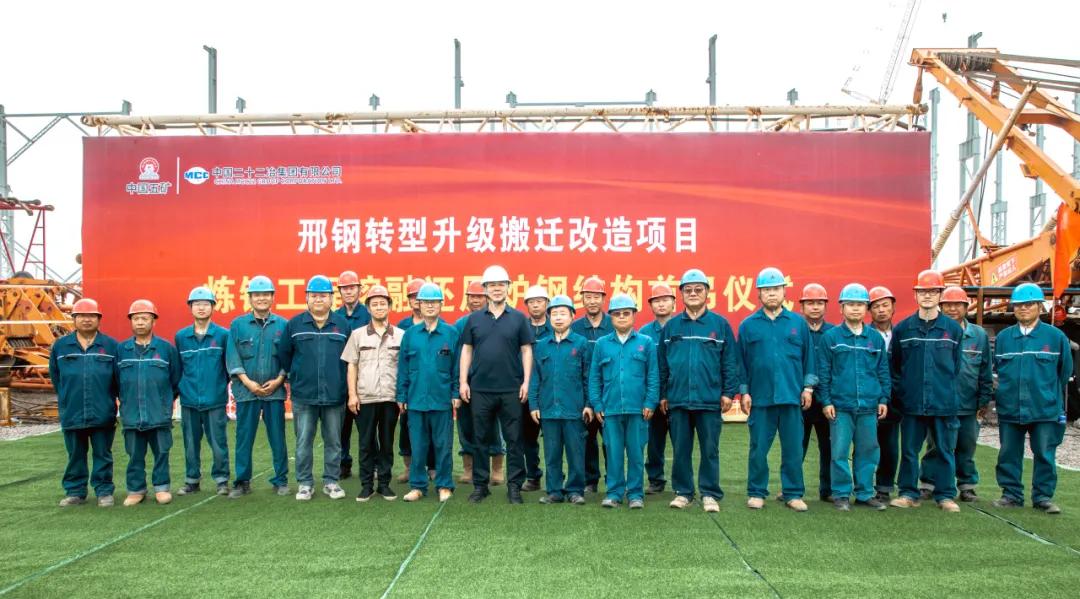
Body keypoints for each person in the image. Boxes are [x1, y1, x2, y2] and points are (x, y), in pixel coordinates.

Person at [657, 269, 740, 513]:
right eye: (688, 290)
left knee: (710, 449)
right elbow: (662, 364)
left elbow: (730, 362)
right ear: (681, 294)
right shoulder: (671, 327)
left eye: (698, 290)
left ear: (707, 293)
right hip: (678, 399)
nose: (693, 294)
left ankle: (709, 493)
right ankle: (683, 492)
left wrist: (728, 393)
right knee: (680, 450)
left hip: (709, 399)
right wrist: (663, 394)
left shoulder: (720, 325)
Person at [739, 267, 816, 512]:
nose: (771, 294)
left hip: (791, 396)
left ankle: (793, 493)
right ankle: (756, 492)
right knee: (758, 449)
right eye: (766, 290)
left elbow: (809, 359)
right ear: (759, 294)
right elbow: (741, 362)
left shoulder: (798, 324)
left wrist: (808, 388)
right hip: (761, 398)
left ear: (784, 291)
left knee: (793, 449)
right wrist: (744, 391)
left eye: (776, 289)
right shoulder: (748, 325)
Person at [992, 283, 1072, 514]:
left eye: (1029, 304)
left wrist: (1047, 395)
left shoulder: (1055, 337)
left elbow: (1064, 372)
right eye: (1019, 305)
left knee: (1045, 454)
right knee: (1008, 454)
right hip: (1010, 407)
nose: (1023, 308)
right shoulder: (1004, 338)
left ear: (1039, 306)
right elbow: (997, 371)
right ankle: (1011, 494)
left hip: (1044, 408)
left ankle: (1043, 497)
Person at [889, 270, 964, 513]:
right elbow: (895, 366)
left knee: (944, 450)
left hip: (943, 402)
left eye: (933, 291)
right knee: (909, 451)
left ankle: (945, 495)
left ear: (940, 294)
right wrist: (903, 393)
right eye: (923, 291)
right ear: (915, 295)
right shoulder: (903, 329)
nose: (928, 296)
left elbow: (955, 366)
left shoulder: (953, 330)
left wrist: (944, 391)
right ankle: (908, 493)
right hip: (912, 402)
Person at [460, 265, 535, 504]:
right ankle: (480, 486)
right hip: (480, 389)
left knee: (514, 440)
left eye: (501, 284)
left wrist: (526, 382)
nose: (496, 289)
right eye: (492, 285)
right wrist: (463, 381)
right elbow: (467, 350)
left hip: (511, 388)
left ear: (508, 287)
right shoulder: (474, 319)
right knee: (480, 439)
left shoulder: (519, 318)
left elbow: (526, 350)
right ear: (485, 289)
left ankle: (514, 487)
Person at [816, 284, 891, 511]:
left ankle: (865, 493)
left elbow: (883, 372)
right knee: (839, 452)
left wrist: (883, 399)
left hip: (869, 406)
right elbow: (823, 373)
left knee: (868, 451)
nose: (856, 309)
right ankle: (841, 494)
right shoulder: (831, 338)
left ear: (866, 308)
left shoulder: (875, 339)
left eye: (860, 304)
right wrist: (826, 401)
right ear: (841, 308)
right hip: (840, 406)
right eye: (850, 304)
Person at [278, 275, 351, 501]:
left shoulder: (342, 325)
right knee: (303, 442)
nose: (318, 300)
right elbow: (285, 355)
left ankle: (331, 481)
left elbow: (350, 359)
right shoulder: (294, 325)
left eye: (323, 296)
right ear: (307, 298)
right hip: (304, 396)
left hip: (334, 395)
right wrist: (298, 376)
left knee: (334, 442)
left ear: (331, 298)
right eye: (314, 296)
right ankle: (305, 483)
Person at [919, 286, 992, 502]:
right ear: (940, 307)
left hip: (968, 402)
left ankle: (967, 485)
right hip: (939, 403)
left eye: (957, 304)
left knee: (966, 446)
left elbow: (985, 369)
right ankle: (928, 483)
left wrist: (984, 400)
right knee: (935, 445)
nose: (952, 309)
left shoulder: (978, 335)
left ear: (966, 307)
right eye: (947, 305)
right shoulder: (935, 331)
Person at [589, 294, 659, 509]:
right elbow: (594, 378)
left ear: (634, 315)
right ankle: (614, 493)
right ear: (610, 317)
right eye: (617, 314)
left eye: (626, 313)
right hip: (610, 410)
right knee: (613, 453)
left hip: (638, 410)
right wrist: (597, 404)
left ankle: (636, 494)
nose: (621, 317)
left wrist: (650, 402)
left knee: (636, 453)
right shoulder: (602, 344)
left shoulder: (646, 343)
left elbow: (653, 376)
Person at [49, 298, 119, 507]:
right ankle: (75, 491)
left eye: (91, 316)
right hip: (72, 410)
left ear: (99, 319)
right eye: (81, 316)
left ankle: (104, 491)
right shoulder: (61, 346)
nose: (86, 320)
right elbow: (56, 378)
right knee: (75, 455)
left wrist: (110, 402)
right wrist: (68, 397)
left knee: (103, 454)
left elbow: (118, 379)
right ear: (74, 319)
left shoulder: (110, 346)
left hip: (102, 410)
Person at [225, 275, 290, 498]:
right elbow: (233, 357)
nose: (261, 298)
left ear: (272, 297)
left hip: (275, 392)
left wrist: (279, 379)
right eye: (257, 295)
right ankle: (242, 481)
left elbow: (288, 357)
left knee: (278, 438)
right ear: (250, 298)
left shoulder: (283, 325)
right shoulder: (238, 325)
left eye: (265, 294)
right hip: (246, 392)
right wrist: (248, 383)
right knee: (244, 438)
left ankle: (281, 480)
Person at [397, 283, 460, 503]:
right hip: (415, 400)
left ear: (441, 305)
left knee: (443, 445)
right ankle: (418, 486)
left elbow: (456, 367)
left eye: (434, 302)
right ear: (419, 305)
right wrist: (401, 395)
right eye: (426, 302)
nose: (430, 306)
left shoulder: (451, 333)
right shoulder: (410, 335)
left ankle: (444, 485)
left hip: (442, 400)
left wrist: (456, 393)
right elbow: (403, 367)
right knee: (418, 445)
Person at [528, 295, 593, 505]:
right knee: (552, 454)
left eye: (563, 313)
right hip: (548, 409)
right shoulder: (542, 345)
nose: (558, 318)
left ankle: (575, 490)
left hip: (574, 409)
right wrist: (533, 404)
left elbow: (588, 376)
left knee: (576, 453)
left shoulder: (581, 343)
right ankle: (554, 490)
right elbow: (535, 377)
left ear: (572, 316)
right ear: (548, 317)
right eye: (554, 314)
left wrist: (589, 404)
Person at [341, 285, 403, 502]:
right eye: (374, 304)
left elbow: (404, 368)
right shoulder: (357, 335)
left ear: (390, 306)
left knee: (386, 443)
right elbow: (352, 365)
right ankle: (366, 485)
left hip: (390, 398)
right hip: (365, 398)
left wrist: (402, 396)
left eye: (382, 303)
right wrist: (352, 395)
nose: (379, 307)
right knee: (366, 443)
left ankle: (384, 484)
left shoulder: (400, 336)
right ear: (368, 308)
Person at [116, 299, 181, 506]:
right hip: (132, 413)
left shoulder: (166, 349)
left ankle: (162, 488)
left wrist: (163, 401)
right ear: (131, 321)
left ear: (154, 321)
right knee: (134, 454)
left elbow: (175, 380)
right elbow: (115, 381)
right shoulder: (122, 350)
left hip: (158, 412)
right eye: (136, 318)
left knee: (161, 452)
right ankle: (136, 490)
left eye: (145, 318)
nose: (140, 322)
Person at [175, 286, 231, 497]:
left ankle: (222, 480)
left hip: (215, 399)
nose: (201, 308)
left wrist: (218, 387)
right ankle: (192, 480)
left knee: (218, 443)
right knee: (190, 443)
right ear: (190, 307)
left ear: (213, 307)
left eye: (205, 304)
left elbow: (227, 368)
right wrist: (183, 390)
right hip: (189, 400)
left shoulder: (223, 335)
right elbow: (178, 368)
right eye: (197, 304)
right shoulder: (181, 337)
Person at [454, 281, 506, 485]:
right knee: (465, 425)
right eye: (472, 296)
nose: (475, 300)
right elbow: (457, 355)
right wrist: (459, 383)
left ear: (487, 298)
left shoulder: (496, 321)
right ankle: (469, 468)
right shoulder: (460, 324)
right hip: (466, 383)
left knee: (493, 426)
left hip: (491, 383)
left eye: (479, 296)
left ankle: (497, 468)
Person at [571, 276, 614, 493]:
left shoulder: (613, 324)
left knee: (611, 440)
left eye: (596, 297)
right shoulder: (575, 327)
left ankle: (613, 479)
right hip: (583, 394)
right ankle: (590, 480)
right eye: (588, 297)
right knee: (587, 440)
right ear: (582, 299)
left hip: (610, 393)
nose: (592, 301)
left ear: (603, 299)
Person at [639, 282, 676, 495]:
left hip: (677, 395)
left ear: (673, 302)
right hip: (652, 396)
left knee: (681, 442)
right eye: (657, 301)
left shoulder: (680, 327)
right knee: (654, 441)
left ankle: (681, 482)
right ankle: (655, 479)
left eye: (665, 300)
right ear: (651, 305)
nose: (661, 304)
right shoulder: (644, 333)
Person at [799, 283, 834, 502]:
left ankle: (827, 490)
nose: (814, 307)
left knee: (828, 447)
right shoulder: (795, 330)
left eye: (819, 303)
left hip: (827, 400)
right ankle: (792, 488)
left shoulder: (834, 333)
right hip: (800, 400)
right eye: (810, 303)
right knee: (796, 446)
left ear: (826, 306)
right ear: (802, 306)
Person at [396, 277, 433, 483]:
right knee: (407, 427)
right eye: (413, 297)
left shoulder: (441, 324)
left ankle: (433, 467)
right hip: (411, 386)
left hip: (433, 386)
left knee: (433, 428)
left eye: (421, 297)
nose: (417, 300)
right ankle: (410, 467)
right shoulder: (402, 326)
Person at [336, 270, 372, 481]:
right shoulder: (334, 317)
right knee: (341, 428)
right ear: (339, 292)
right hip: (341, 380)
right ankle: (343, 463)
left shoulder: (369, 314)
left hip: (365, 381)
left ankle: (370, 466)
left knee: (367, 428)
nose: (348, 292)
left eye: (352, 287)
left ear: (360, 290)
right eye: (344, 288)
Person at [868, 286, 901, 502]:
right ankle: (862, 486)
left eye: (885, 305)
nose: (881, 310)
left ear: (893, 307)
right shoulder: (864, 335)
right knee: (865, 445)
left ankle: (884, 487)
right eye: (876, 306)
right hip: (868, 398)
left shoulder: (901, 334)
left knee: (890, 446)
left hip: (894, 399)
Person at [520, 284, 551, 492]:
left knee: (554, 438)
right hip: (526, 390)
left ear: (547, 304)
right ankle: (533, 476)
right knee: (528, 437)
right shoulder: (521, 327)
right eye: (531, 302)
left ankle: (556, 479)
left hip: (551, 390)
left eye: (539, 301)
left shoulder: (557, 325)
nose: (536, 305)